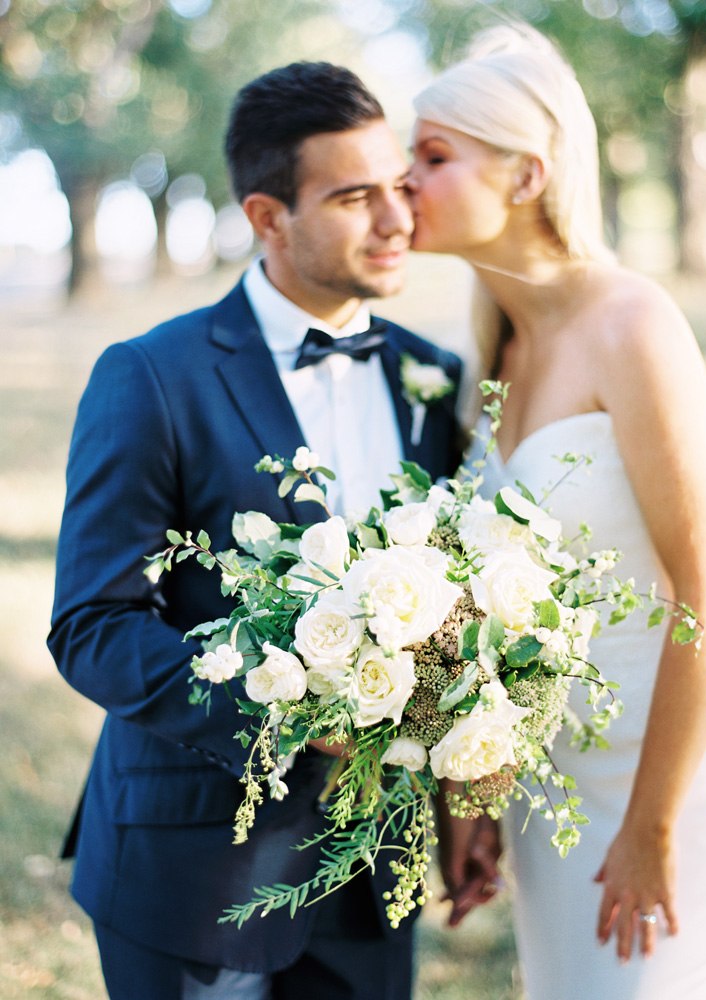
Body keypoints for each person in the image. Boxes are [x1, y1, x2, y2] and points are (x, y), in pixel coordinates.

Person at [48, 61, 464, 1000]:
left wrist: (459, 795)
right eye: (355, 197)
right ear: (268, 217)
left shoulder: (431, 377)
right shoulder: (152, 376)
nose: (399, 220)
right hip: (194, 873)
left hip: (369, 881)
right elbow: (92, 624)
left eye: (399, 187)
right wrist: (285, 717)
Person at [405, 23, 706, 1000]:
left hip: (669, 776)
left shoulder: (631, 323)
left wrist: (652, 823)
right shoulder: (484, 356)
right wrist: (478, 785)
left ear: (524, 176)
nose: (401, 178)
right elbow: (492, 608)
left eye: (432, 156)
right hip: (551, 782)